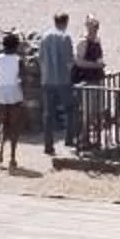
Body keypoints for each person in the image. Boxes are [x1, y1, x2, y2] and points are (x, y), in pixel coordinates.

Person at [36, 12, 78, 157]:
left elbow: (40, 58)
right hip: (63, 79)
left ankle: (48, 145)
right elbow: (69, 61)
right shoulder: (65, 38)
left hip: (47, 79)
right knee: (70, 109)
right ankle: (69, 139)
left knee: (48, 113)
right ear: (66, 22)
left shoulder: (45, 36)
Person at [0, 31, 27, 170]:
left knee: (3, 123)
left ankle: (0, 146)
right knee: (14, 125)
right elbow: (22, 78)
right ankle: (12, 156)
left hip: (1, 90)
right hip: (14, 91)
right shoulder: (18, 60)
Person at [75, 15, 110, 149]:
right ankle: (83, 139)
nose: (94, 30)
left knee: (97, 111)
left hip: (98, 78)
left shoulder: (97, 41)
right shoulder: (83, 43)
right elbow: (78, 62)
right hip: (88, 80)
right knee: (88, 112)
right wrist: (96, 66)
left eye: (95, 27)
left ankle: (94, 139)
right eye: (92, 27)